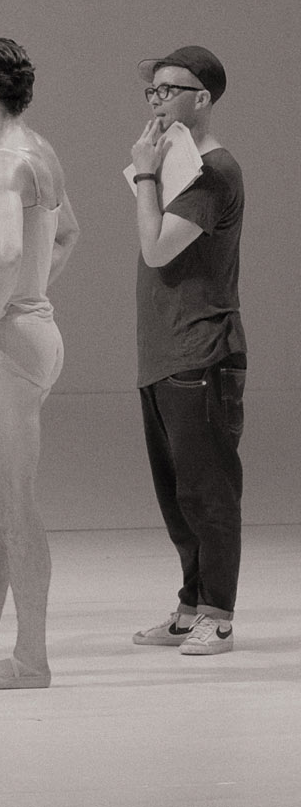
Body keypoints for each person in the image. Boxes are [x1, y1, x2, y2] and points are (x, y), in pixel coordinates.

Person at [0, 38, 79, 691]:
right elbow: (67, 232)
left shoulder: (4, 165)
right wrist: (31, 295)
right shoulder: (42, 155)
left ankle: (30, 660)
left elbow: (4, 251)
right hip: (35, 336)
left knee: (13, 501)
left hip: (9, 347)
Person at [128, 45, 245, 656]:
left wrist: (145, 173)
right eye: (152, 91)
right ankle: (189, 606)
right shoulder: (178, 168)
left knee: (208, 490)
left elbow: (157, 249)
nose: (157, 100)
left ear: (201, 99)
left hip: (202, 351)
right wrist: (151, 171)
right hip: (163, 351)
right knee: (176, 492)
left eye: (169, 90)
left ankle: (218, 614)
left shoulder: (212, 173)